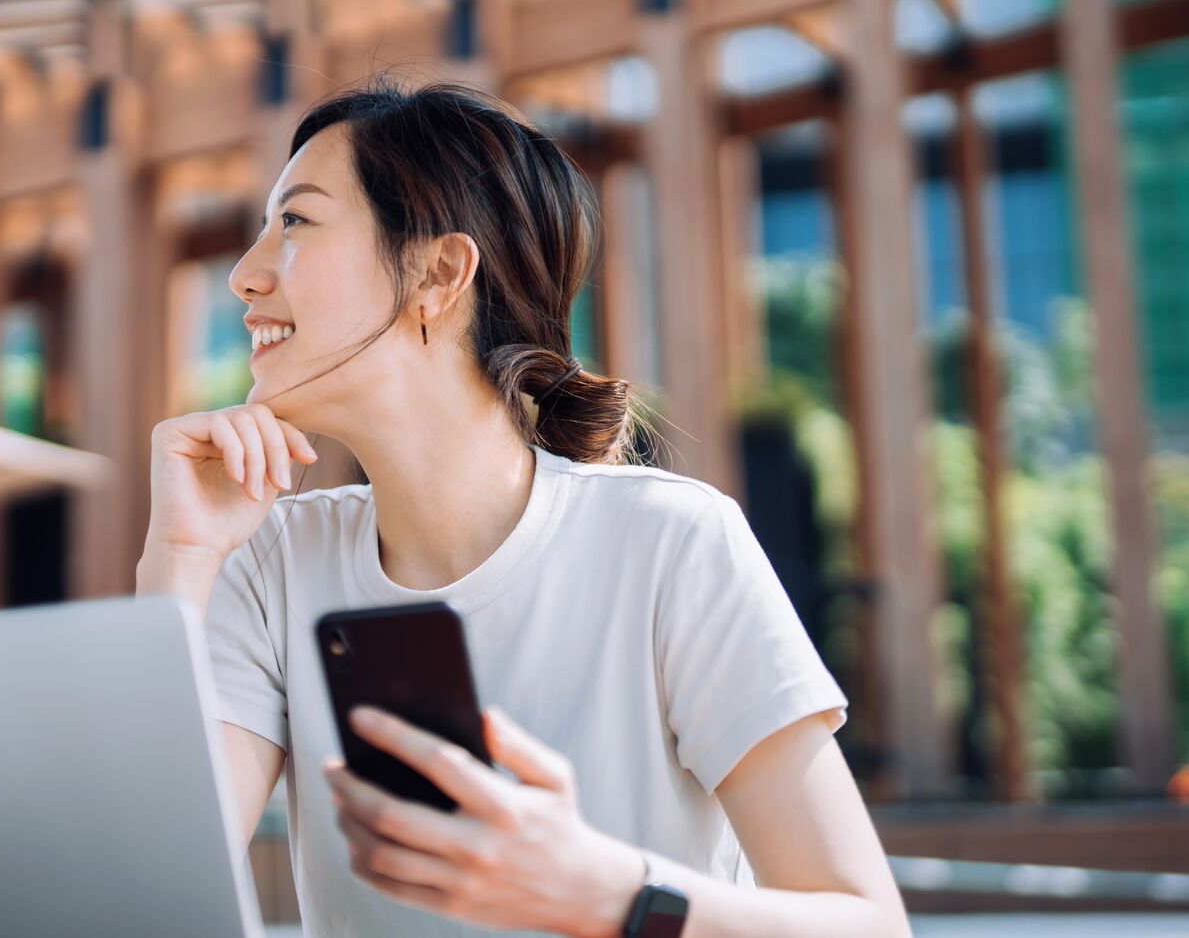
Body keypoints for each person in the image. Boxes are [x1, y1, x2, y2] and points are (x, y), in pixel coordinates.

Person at [136, 76, 911, 938]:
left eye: (296, 221)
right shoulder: (270, 560)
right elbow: (143, 900)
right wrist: (179, 559)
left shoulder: (670, 542)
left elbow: (867, 925)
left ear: (438, 273)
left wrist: (606, 892)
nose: (244, 275)